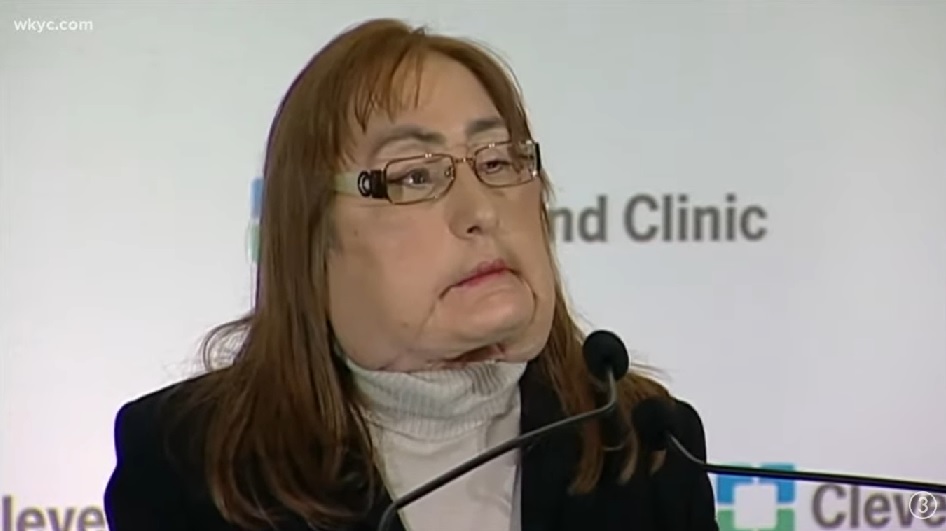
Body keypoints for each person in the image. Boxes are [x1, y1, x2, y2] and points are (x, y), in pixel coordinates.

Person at [103, 18, 718, 531]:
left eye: (497, 161)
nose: (481, 211)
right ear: (311, 238)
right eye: (414, 176)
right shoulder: (188, 465)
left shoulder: (646, 446)